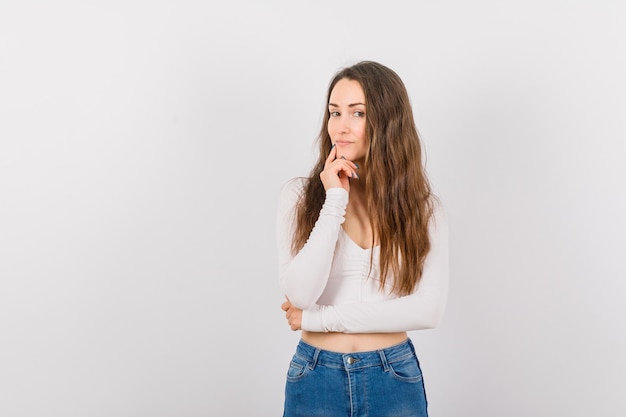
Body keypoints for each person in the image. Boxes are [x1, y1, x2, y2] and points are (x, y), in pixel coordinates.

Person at [276, 61, 449, 417]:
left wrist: (316, 320)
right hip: (315, 376)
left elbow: (427, 310)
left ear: (388, 122)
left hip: (393, 376)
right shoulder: (298, 197)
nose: (341, 126)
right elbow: (300, 295)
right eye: (334, 112)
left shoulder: (423, 209)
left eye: (358, 113)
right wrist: (334, 200)